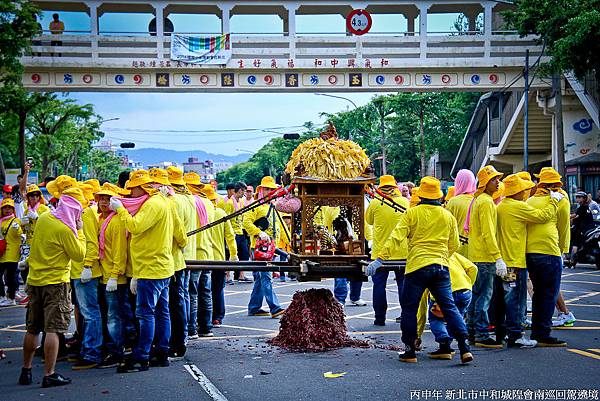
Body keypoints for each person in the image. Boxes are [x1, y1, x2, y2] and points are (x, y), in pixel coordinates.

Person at [370, 176, 472, 364]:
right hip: (441, 268)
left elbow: (396, 237)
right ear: (438, 196)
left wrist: (379, 259)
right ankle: (464, 348)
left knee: (410, 309)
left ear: (422, 196)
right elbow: (454, 244)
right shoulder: (447, 215)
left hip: (417, 267)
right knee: (449, 308)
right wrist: (441, 256)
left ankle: (409, 352)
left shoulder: (412, 213)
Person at [19, 186, 87, 388]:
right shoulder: (66, 230)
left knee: (32, 328)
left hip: (35, 281)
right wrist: (80, 231)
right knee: (53, 329)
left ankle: (26, 370)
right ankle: (49, 373)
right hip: (56, 283)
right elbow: (79, 255)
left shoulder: (45, 218)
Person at [110, 169, 175, 372]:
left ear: (141, 187)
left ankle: (142, 356)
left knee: (146, 314)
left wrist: (120, 209)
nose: (130, 193)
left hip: (151, 267)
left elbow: (135, 226)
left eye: (132, 189)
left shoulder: (153, 204)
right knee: (161, 312)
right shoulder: (160, 202)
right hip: (160, 265)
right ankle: (161, 351)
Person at [496, 174, 560, 348]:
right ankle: (516, 335)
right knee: (516, 300)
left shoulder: (501, 206)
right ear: (516, 192)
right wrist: (554, 200)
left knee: (507, 298)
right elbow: (543, 216)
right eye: (523, 189)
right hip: (515, 261)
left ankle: (507, 333)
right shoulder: (517, 206)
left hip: (504, 260)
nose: (526, 192)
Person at [525, 167, 570, 347]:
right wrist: (563, 250)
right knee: (549, 294)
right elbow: (564, 227)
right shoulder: (561, 200)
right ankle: (543, 333)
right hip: (549, 250)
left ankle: (538, 331)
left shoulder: (530, 200)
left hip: (530, 252)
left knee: (538, 294)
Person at [149, 168, 188, 358]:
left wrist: (180, 243)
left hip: (168, 260)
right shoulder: (174, 200)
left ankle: (175, 342)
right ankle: (176, 342)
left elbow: (179, 232)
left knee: (169, 305)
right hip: (173, 259)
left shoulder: (170, 202)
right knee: (172, 304)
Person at [95, 183, 134, 368]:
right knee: (111, 315)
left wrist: (114, 275)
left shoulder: (117, 221)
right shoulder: (101, 219)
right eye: (101, 198)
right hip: (104, 274)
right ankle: (115, 347)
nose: (103, 201)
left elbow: (120, 251)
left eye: (107, 199)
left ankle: (116, 351)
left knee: (114, 317)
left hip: (114, 277)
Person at [465, 165, 505, 348]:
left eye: (498, 178)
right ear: (485, 183)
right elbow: (489, 233)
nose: (498, 182)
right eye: (494, 179)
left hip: (476, 255)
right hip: (485, 256)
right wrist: (497, 257)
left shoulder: (479, 200)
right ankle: (481, 333)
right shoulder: (487, 202)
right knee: (484, 297)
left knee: (476, 296)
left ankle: (472, 331)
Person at [69, 182, 104, 370]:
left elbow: (92, 243)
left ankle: (92, 352)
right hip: (78, 270)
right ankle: (87, 349)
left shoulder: (86, 213)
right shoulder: (79, 213)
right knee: (87, 313)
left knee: (91, 313)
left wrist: (88, 265)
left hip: (86, 272)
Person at [366, 175, 408, 325]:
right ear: (395, 187)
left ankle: (379, 318)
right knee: (403, 285)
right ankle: (406, 315)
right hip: (402, 252)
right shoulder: (405, 202)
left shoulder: (376, 203)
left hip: (380, 254)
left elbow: (369, 221)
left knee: (379, 286)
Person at [243, 176, 285, 318]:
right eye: (267, 189)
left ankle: (254, 308)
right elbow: (246, 223)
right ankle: (275, 307)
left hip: (271, 248)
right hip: (260, 247)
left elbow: (279, 227)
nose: (270, 191)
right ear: (261, 190)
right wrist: (259, 232)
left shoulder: (274, 206)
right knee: (266, 277)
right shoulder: (255, 205)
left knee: (261, 279)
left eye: (272, 189)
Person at [167, 166, 197, 347]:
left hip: (176, 254)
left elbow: (176, 231)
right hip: (188, 253)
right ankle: (185, 333)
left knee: (176, 300)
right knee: (183, 296)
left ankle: (179, 338)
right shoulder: (189, 198)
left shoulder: (174, 200)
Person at [427, 253, 477, 359]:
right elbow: (473, 268)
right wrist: (469, 284)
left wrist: (417, 334)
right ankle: (461, 344)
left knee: (435, 319)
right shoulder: (452, 253)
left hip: (444, 292)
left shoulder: (426, 261)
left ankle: (444, 344)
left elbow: (421, 306)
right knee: (457, 317)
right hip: (464, 290)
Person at [184, 172, 215, 338]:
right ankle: (206, 327)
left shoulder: (189, 203)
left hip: (193, 254)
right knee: (205, 291)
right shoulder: (208, 203)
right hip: (207, 253)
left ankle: (191, 328)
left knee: (192, 292)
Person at [202, 184, 237, 328]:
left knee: (202, 291)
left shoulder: (200, 213)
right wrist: (233, 255)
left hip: (201, 258)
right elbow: (230, 237)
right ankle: (217, 317)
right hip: (219, 258)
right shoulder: (221, 214)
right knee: (217, 289)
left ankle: (204, 319)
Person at [445, 169, 477, 258]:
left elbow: (446, 227)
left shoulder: (452, 202)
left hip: (457, 249)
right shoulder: (478, 201)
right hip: (476, 249)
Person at [224, 181, 251, 282]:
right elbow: (226, 220)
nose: (244, 194)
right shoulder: (230, 203)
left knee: (244, 253)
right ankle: (227, 276)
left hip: (241, 231)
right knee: (230, 254)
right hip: (232, 232)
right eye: (243, 191)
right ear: (239, 191)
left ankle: (241, 275)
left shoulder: (240, 202)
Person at [0, 198, 23, 307]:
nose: (7, 210)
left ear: (13, 209)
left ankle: (11, 298)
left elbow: (20, 233)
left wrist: (17, 229)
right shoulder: (1, 221)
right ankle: (2, 296)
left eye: (9, 207)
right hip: (2, 253)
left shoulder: (16, 221)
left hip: (12, 253)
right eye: (5, 207)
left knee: (10, 277)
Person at [570, 191, 594, 263]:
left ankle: (572, 260)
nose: (577, 199)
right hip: (586, 229)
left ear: (584, 198)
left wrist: (566, 217)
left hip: (582, 230)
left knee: (575, 243)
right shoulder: (584, 206)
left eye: (579, 197)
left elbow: (575, 216)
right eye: (577, 197)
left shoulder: (583, 207)